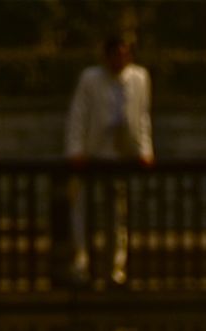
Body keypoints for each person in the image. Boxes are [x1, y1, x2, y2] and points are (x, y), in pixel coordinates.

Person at [65, 34, 153, 288]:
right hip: (94, 154)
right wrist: (76, 150)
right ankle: (82, 263)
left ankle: (116, 269)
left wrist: (145, 149)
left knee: (117, 214)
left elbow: (142, 116)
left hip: (121, 156)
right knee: (82, 210)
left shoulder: (139, 78)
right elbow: (78, 116)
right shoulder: (91, 79)